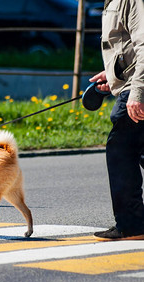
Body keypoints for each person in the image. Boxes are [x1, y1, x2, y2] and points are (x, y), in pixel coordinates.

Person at [89, 0, 144, 240]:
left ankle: (132, 225)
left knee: (120, 148)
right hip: (128, 85)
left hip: (135, 89)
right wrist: (111, 75)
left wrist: (138, 93)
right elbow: (125, 46)